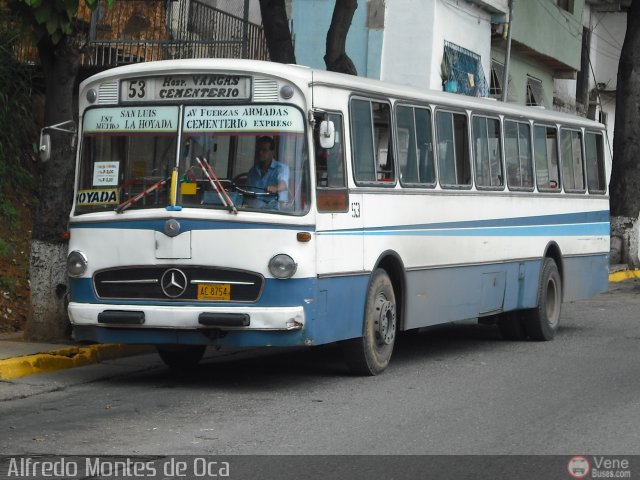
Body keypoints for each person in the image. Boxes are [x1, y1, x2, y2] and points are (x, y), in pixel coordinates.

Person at [245, 136, 289, 209]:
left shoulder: (281, 168)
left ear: (272, 152)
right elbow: (247, 193)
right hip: (255, 210)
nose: (260, 153)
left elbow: (283, 183)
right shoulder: (252, 171)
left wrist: (276, 188)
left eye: (264, 150)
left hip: (276, 210)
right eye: (258, 150)